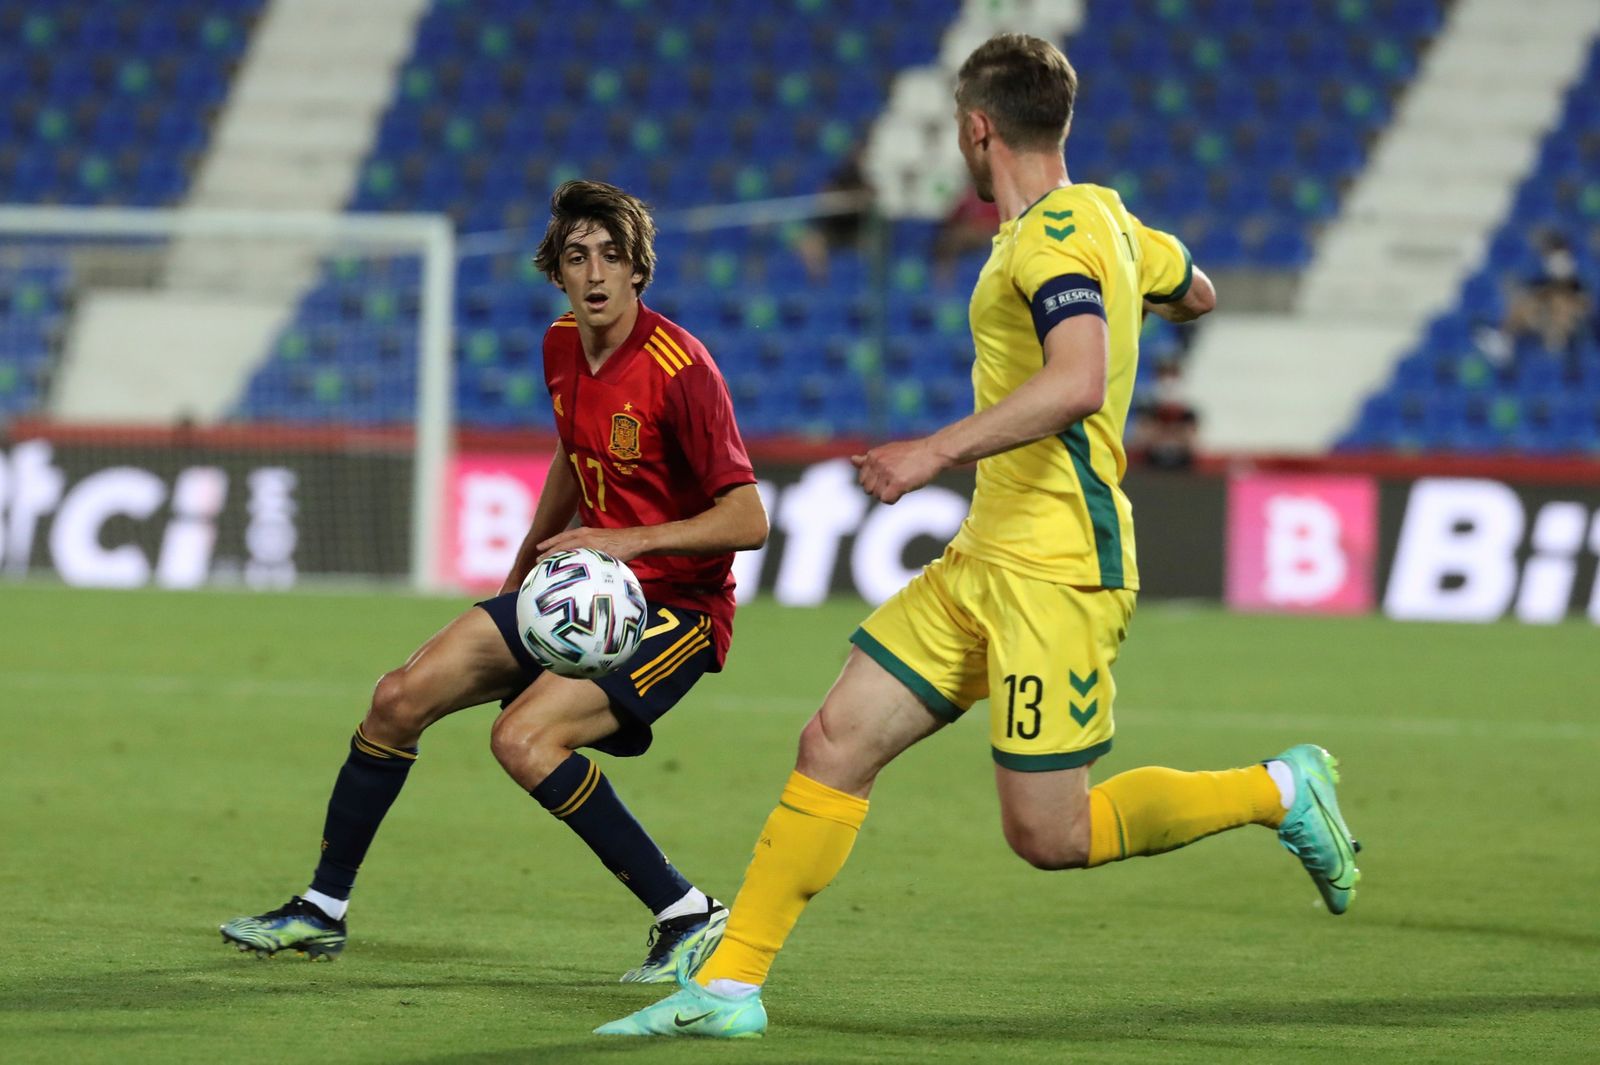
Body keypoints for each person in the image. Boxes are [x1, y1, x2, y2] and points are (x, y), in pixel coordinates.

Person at [596, 34, 1360, 1039]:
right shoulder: (1110, 223)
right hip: (985, 558)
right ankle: (731, 985)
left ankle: (1277, 789)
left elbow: (1078, 377)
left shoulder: (1050, 239)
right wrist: (1131, 283)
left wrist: (929, 452)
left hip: (1059, 568)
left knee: (1051, 833)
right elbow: (1198, 293)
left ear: (975, 128)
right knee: (833, 741)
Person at [220, 180, 770, 985]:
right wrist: (520, 576)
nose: (595, 272)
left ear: (638, 269)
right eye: (578, 256)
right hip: (575, 590)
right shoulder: (559, 345)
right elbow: (572, 458)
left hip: (673, 610)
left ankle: (687, 912)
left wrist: (623, 540)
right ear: (557, 270)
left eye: (612, 256)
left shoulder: (681, 369)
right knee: (397, 697)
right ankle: (321, 908)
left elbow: (750, 518)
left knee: (521, 739)